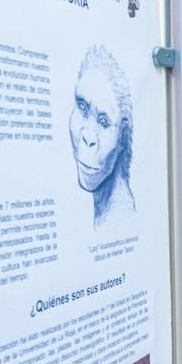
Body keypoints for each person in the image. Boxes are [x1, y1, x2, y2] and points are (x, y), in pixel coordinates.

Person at [70, 45, 135, 228]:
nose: (88, 137)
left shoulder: (123, 220)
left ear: (122, 138)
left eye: (104, 122)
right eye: (82, 108)